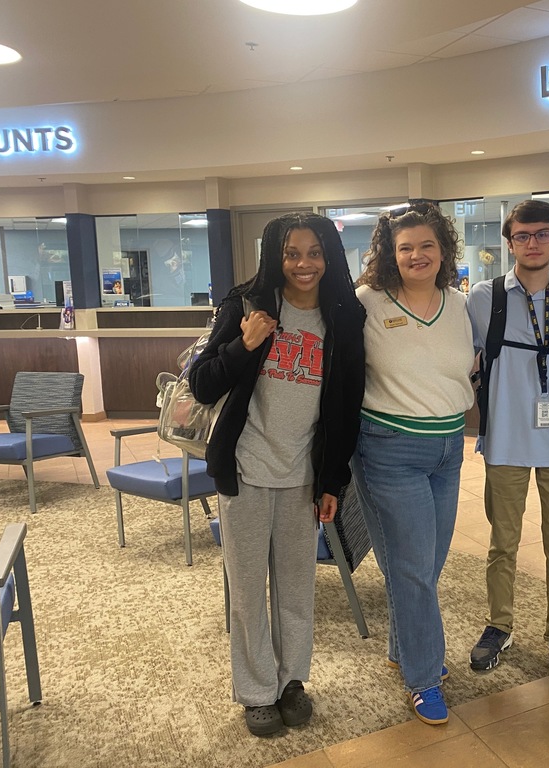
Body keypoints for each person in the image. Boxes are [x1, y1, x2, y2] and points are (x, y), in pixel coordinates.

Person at [188, 212, 365, 737]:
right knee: (246, 590)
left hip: (303, 476)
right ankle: (257, 690)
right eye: (292, 253)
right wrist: (243, 344)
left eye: (314, 252)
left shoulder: (343, 315)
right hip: (245, 469)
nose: (304, 264)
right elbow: (200, 384)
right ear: (275, 256)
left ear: (329, 255)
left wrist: (332, 480)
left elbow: (346, 405)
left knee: (296, 588)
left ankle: (291, 682)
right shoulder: (246, 304)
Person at [352, 202, 475, 726]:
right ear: (390, 254)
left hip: (449, 450)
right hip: (389, 450)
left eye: (427, 245)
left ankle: (403, 649)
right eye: (405, 248)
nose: (417, 255)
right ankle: (424, 677)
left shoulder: (460, 304)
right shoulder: (367, 303)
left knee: (427, 566)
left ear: (443, 249)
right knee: (412, 571)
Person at [466, 199, 549, 686]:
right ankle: (500, 626)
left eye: (542, 234)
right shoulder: (483, 297)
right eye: (523, 235)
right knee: (503, 544)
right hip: (505, 441)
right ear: (510, 241)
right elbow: (467, 358)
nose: (533, 243)